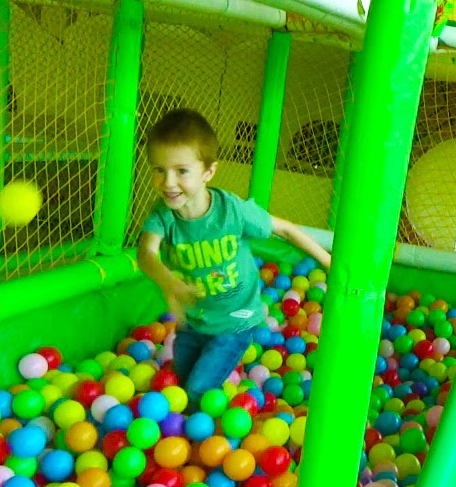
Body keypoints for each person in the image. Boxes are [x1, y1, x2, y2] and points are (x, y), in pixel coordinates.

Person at [137, 108, 331, 407]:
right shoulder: (163, 217)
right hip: (193, 321)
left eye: (181, 171)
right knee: (183, 377)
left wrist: (329, 261)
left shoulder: (233, 211)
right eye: (159, 170)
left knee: (198, 391)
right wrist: (169, 282)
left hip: (236, 321)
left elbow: (286, 229)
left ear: (208, 171)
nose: (168, 182)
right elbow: (146, 253)